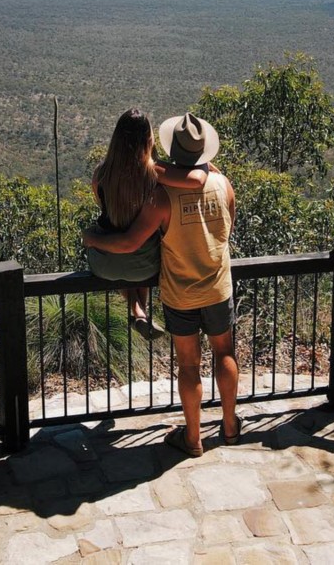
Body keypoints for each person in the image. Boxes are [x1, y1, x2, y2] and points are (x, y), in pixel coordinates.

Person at [84, 112, 239, 457]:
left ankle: (194, 438)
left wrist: (91, 239)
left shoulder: (160, 196)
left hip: (180, 291)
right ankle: (230, 427)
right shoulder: (224, 183)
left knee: (188, 365)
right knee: (225, 353)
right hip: (218, 287)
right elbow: (227, 230)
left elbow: (129, 242)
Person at [85, 109, 205, 339]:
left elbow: (102, 206)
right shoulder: (152, 172)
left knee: (124, 262)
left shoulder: (100, 174)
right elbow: (197, 181)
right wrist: (205, 163)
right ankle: (140, 310)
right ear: (148, 140)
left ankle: (138, 311)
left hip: (103, 262)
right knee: (141, 251)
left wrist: (89, 238)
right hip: (145, 264)